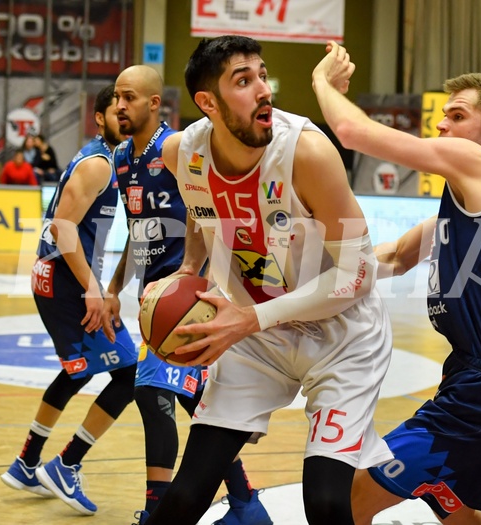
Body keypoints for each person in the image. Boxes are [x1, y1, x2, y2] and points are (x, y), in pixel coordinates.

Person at [145, 36, 393, 525]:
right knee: (185, 495)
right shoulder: (181, 152)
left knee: (324, 503)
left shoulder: (307, 152)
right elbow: (200, 212)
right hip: (256, 335)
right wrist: (188, 270)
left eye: (262, 75)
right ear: (207, 104)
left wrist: (249, 319)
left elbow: (358, 275)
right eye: (244, 80)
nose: (263, 89)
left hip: (341, 335)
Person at [312, 42, 481, 525]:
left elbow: (351, 130)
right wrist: (303, 279)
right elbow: (397, 257)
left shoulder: (479, 163)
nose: (442, 125)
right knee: (458, 514)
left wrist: (322, 83)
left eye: (457, 116)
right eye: (443, 115)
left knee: (350, 502)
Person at [101, 64, 272, 525]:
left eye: (129, 97)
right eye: (117, 96)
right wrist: (115, 288)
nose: (119, 104)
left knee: (152, 392)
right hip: (155, 299)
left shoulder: (177, 148)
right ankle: (246, 504)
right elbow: (138, 233)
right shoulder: (121, 157)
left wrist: (199, 275)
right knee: (200, 406)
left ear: (155, 104)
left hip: (193, 296)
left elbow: (210, 208)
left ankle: (158, 511)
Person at [0, 85, 137, 516]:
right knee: (129, 375)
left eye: (128, 107)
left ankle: (26, 462)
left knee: (78, 371)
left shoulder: (107, 159)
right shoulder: (98, 163)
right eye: (116, 109)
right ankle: (66, 464)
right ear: (99, 118)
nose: (124, 114)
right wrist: (93, 289)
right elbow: (62, 227)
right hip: (65, 282)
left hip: (56, 277)